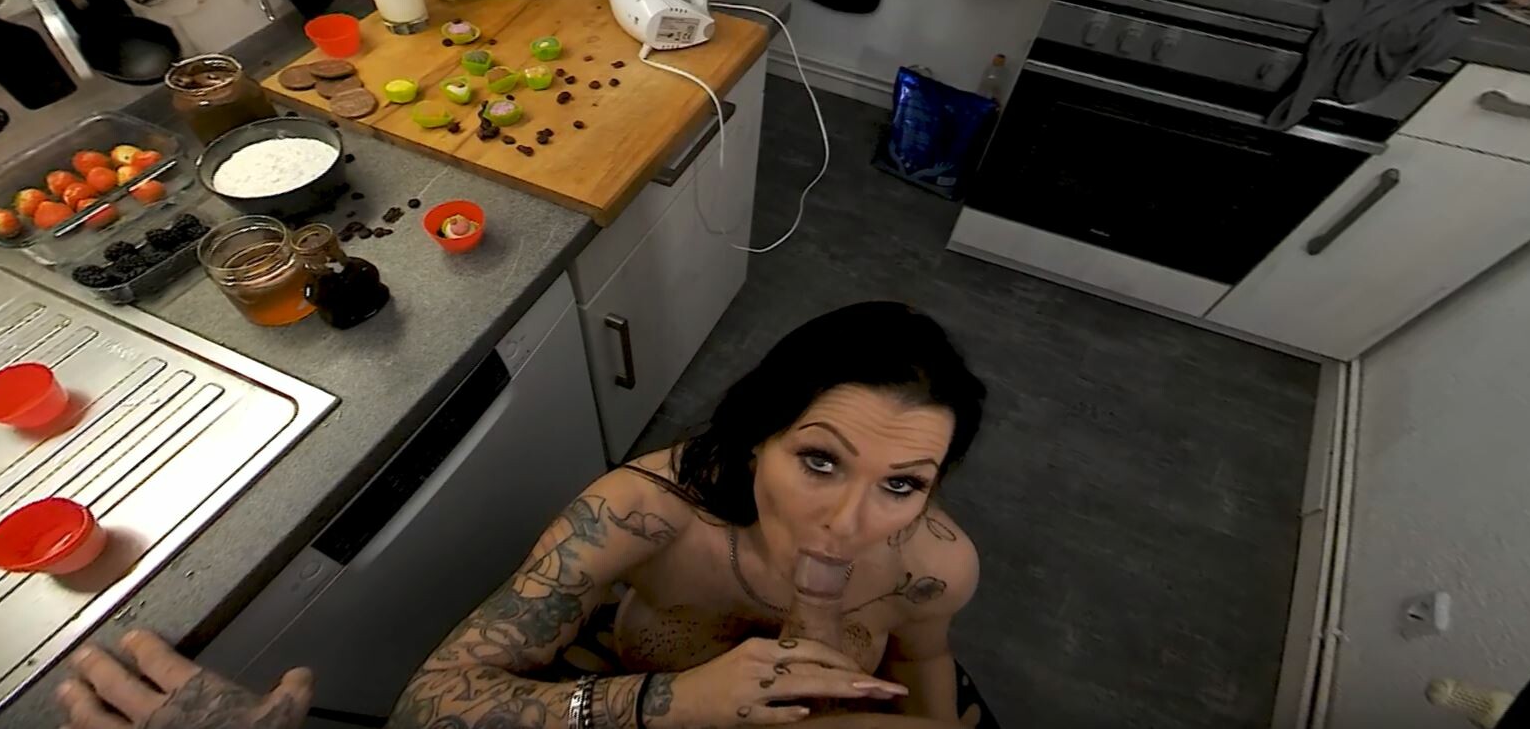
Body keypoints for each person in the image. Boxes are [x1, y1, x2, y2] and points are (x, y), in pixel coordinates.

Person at [57, 302, 989, 729]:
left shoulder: (930, 569)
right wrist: (672, 700)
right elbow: (430, 704)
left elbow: (924, 660)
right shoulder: (641, 514)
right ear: (756, 441)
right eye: (819, 460)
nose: (847, 523)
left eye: (901, 484)